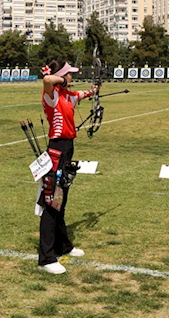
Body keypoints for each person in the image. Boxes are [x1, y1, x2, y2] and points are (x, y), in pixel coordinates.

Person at [37, 60, 98, 274]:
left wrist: (93, 91)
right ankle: (46, 258)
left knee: (61, 201)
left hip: (67, 150)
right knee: (52, 203)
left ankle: (63, 245)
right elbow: (46, 79)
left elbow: (82, 94)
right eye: (68, 75)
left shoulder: (68, 96)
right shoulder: (51, 96)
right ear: (62, 77)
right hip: (56, 151)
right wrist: (61, 79)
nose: (71, 78)